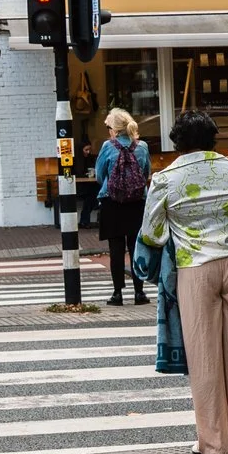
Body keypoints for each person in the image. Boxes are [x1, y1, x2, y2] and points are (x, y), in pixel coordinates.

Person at [137, 110, 228, 454]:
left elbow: (152, 234)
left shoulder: (165, 179)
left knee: (204, 356)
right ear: (214, 138)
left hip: (194, 270)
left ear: (176, 142)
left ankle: (214, 442)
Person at [93, 109, 152, 306]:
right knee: (136, 248)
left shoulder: (108, 147)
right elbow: (146, 173)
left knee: (116, 249)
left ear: (115, 129)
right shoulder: (142, 147)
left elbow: (100, 175)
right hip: (136, 203)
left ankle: (117, 293)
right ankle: (139, 293)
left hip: (113, 203)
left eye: (108, 127)